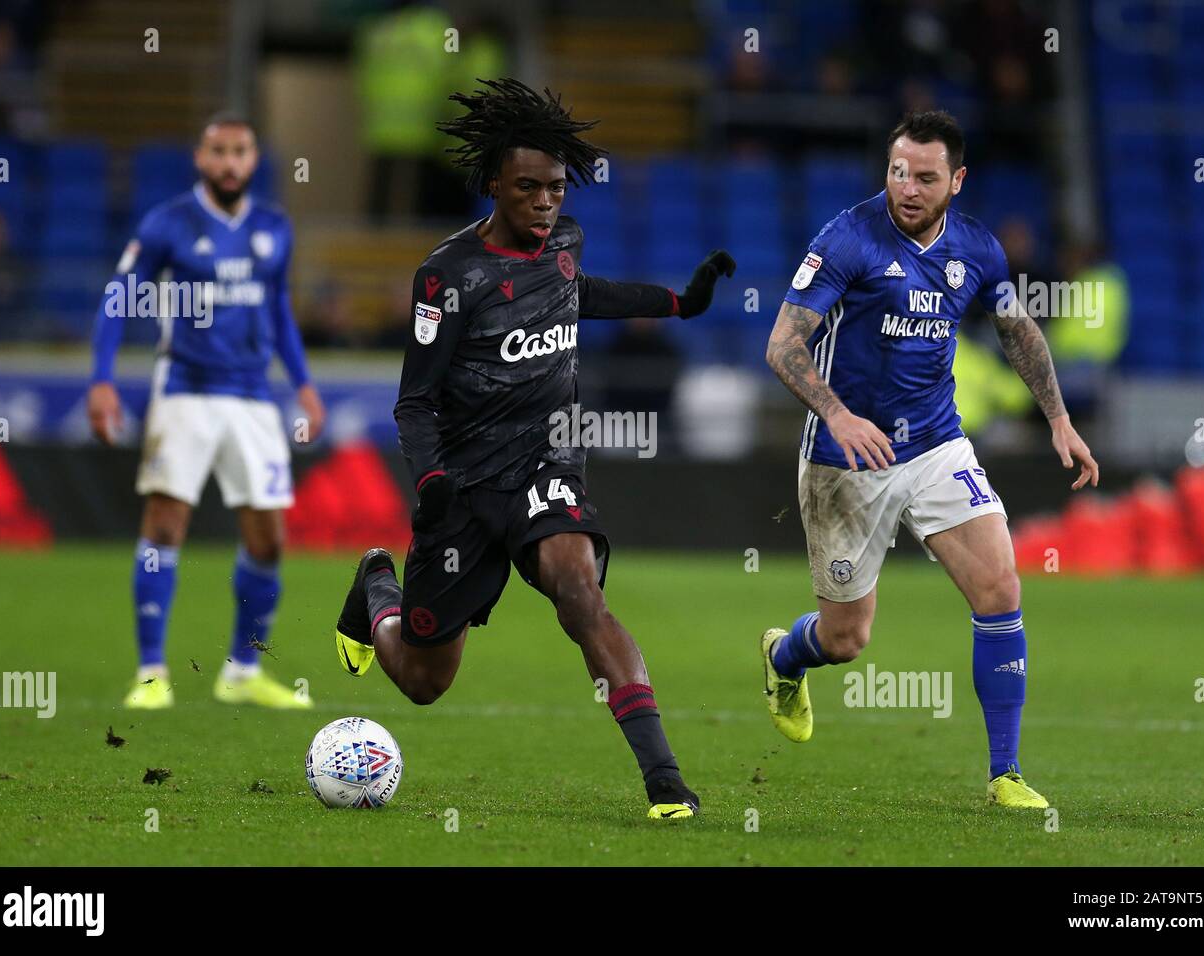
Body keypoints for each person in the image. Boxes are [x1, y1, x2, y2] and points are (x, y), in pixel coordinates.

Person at [331, 79, 734, 820]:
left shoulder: (565, 243)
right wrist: (430, 482)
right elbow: (414, 399)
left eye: (555, 188)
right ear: (493, 184)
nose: (546, 203)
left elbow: (582, 292)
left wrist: (680, 302)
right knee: (424, 681)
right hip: (462, 486)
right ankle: (376, 588)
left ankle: (664, 780)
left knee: (580, 594)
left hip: (546, 464)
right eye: (528, 188)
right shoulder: (447, 277)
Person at [761, 110, 1098, 809]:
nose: (906, 188)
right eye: (896, 171)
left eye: (924, 176)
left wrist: (1059, 420)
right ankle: (784, 657)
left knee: (1001, 591)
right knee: (847, 639)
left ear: (956, 181)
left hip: (938, 444)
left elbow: (1017, 330)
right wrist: (838, 413)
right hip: (846, 457)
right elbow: (783, 345)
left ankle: (1005, 773)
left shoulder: (976, 248)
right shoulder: (847, 237)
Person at [88, 113, 325, 710]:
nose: (228, 163)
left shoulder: (274, 226)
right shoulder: (168, 223)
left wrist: (303, 383)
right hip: (186, 389)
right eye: (218, 151)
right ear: (200, 157)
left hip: (252, 396)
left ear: (253, 158)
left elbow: (278, 314)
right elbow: (119, 298)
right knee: (165, 525)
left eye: (240, 151)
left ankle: (242, 672)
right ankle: (150, 672)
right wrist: (102, 378)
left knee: (268, 539)